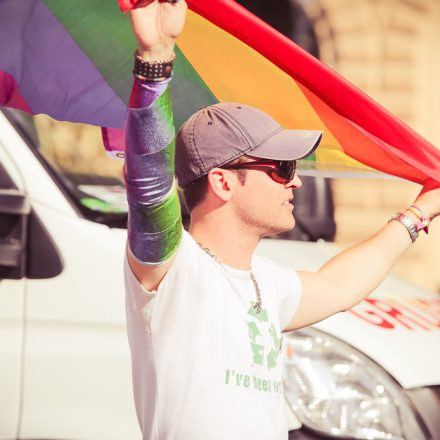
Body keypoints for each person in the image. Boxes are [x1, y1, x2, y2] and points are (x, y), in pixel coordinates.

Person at [123, 1, 440, 439]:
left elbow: (339, 286)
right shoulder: (175, 267)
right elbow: (148, 182)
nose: (296, 184)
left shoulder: (264, 282)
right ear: (223, 182)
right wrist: (155, 58)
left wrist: (422, 209)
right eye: (281, 169)